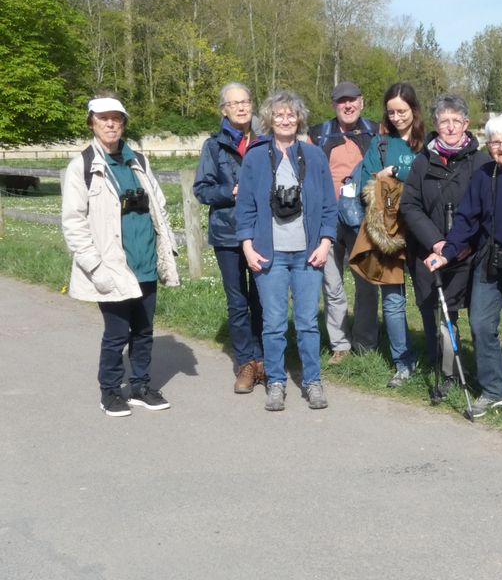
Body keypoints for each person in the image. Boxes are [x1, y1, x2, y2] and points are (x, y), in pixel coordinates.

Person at [61, 96, 179, 417]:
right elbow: (74, 224)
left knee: (144, 330)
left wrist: (166, 249)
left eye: (116, 118)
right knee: (116, 335)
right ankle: (111, 391)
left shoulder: (137, 160)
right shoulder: (83, 166)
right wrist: (95, 268)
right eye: (103, 119)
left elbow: (159, 206)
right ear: (92, 123)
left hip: (145, 263)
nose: (111, 124)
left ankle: (140, 385)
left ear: (124, 123)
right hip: (112, 267)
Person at [423, 112, 502, 417]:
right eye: (494, 142)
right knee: (481, 324)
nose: (501, 147)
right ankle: (496, 389)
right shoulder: (484, 175)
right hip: (490, 257)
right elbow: (466, 218)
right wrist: (447, 251)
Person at [235, 89, 337, 412]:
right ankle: (276, 382)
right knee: (274, 323)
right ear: (269, 118)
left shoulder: (315, 156)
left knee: (307, 322)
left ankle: (312, 380)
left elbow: (329, 207)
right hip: (270, 254)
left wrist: (325, 242)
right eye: (278, 114)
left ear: (299, 117)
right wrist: (248, 247)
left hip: (308, 254)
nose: (285, 119)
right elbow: (246, 207)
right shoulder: (254, 157)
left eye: (290, 114)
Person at [401, 93, 489, 403]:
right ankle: (447, 369)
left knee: (475, 315)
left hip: (471, 253)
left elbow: (488, 209)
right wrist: (436, 242)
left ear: (466, 124)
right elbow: (410, 204)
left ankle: (484, 374)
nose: (450, 127)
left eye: (456, 121)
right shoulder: (423, 160)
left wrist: (462, 245)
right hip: (430, 250)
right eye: (443, 121)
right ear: (435, 125)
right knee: (437, 313)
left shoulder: (481, 161)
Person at [194, 82, 265, 394]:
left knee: (262, 298)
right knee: (237, 302)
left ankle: (264, 359)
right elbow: (202, 190)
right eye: (234, 103)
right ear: (223, 109)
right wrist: (231, 192)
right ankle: (246, 363)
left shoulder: (265, 141)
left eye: (246, 101)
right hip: (227, 234)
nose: (241, 107)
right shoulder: (213, 147)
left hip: (262, 232)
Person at [354, 82, 421, 388]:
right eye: (391, 112)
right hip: (389, 231)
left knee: (430, 299)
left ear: (414, 110)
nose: (396, 117)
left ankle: (439, 360)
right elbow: (362, 180)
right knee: (392, 301)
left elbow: (438, 176)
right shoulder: (380, 145)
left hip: (424, 229)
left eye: (402, 111)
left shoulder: (430, 143)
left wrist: (397, 173)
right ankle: (402, 362)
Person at [308, 80, 380, 364]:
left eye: (352, 100)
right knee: (332, 284)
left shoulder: (375, 132)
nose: (348, 105)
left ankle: (365, 344)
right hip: (326, 219)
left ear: (361, 102)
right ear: (334, 105)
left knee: (366, 284)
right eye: (341, 101)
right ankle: (340, 343)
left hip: (363, 218)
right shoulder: (318, 135)